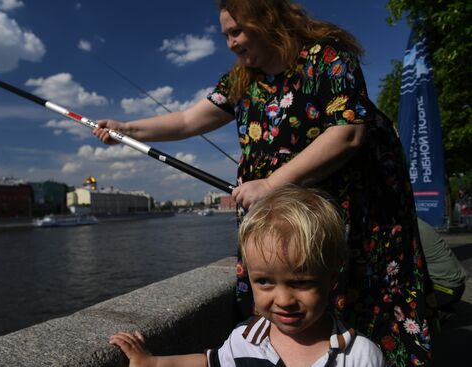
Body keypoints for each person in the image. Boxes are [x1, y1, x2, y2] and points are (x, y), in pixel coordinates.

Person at [94, 1, 435, 365]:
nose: (230, 43)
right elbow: (185, 121)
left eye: (236, 31)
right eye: (225, 34)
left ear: (268, 20)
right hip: (282, 219)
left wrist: (271, 184)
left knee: (361, 308)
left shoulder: (325, 58)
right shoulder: (241, 80)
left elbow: (348, 132)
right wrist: (126, 129)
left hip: (350, 219)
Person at [109, 185, 386, 367]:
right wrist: (152, 363)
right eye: (264, 281)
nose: (284, 299)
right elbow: (209, 363)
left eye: (301, 282)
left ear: (332, 279)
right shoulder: (244, 339)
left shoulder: (360, 356)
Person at [418, 217, 467, 314]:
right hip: (454, 286)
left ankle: (434, 313)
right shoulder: (416, 222)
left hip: (446, 289)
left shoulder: (406, 228)